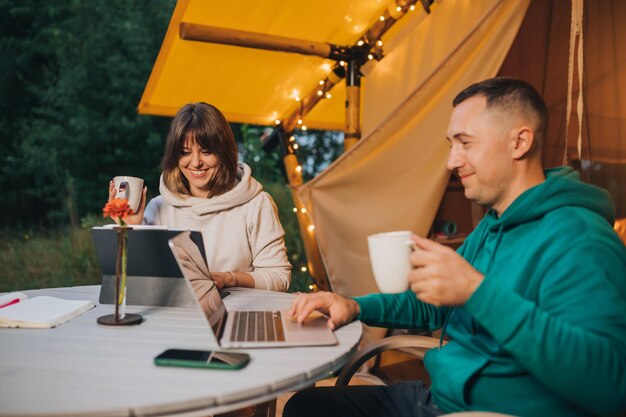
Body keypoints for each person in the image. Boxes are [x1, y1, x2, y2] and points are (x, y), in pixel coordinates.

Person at [285, 77, 626, 417]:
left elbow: (612, 386)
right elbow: (432, 307)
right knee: (306, 406)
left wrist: (476, 292)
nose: (452, 161)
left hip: (487, 411)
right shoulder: (491, 226)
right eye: (451, 144)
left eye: (465, 143)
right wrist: (354, 306)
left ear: (519, 142)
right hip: (437, 400)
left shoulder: (580, 238)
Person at [108, 102, 291, 292]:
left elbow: (279, 278)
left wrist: (230, 278)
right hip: (178, 317)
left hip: (240, 312)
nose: (195, 163)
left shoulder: (257, 204)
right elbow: (136, 285)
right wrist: (130, 228)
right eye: (185, 152)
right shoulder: (158, 208)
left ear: (224, 153)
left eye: (206, 152)